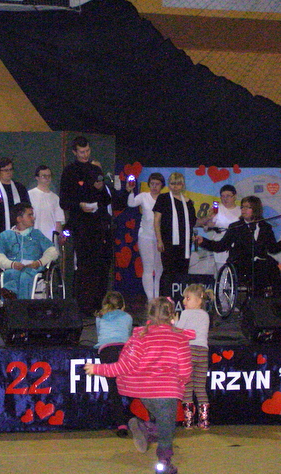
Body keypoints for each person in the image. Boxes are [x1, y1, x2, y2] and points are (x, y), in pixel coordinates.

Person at [84, 297, 193, 474]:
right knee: (167, 429)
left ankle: (146, 428)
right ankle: (164, 462)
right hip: (167, 391)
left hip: (145, 392)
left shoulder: (140, 336)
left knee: (165, 424)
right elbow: (186, 370)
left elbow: (125, 365)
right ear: (173, 315)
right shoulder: (180, 338)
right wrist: (180, 382)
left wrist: (98, 368)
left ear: (149, 314)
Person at [59, 136, 113, 318]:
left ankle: (98, 304)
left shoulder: (96, 169)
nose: (85, 154)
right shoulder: (69, 172)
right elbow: (64, 201)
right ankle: (82, 306)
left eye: (87, 151)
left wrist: (100, 188)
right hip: (81, 226)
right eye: (81, 152)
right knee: (84, 267)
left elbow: (106, 199)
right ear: (74, 152)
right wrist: (79, 205)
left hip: (98, 225)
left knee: (100, 266)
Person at [197, 195, 281, 297]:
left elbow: (272, 248)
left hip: (261, 262)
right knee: (257, 272)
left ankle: (278, 301)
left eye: (247, 207)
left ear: (255, 209)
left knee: (273, 270)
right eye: (242, 207)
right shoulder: (236, 227)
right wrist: (203, 242)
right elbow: (221, 246)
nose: (243, 210)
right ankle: (257, 301)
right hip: (241, 263)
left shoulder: (265, 227)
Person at [0, 157, 30, 306]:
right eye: (5, 170)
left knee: (19, 268)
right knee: (0, 269)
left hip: (19, 235)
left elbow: (27, 210)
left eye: (10, 170)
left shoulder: (20, 188)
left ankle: (17, 303)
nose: (9, 173)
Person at [0, 202, 59, 300]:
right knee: (11, 273)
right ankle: (10, 297)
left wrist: (39, 262)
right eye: (30, 215)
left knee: (25, 276)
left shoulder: (37, 234)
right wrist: (12, 264)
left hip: (33, 268)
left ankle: (22, 303)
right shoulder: (5, 236)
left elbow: (52, 251)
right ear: (19, 219)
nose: (33, 218)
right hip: (13, 267)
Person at [94, 291, 134, 438]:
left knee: (113, 389)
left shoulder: (100, 317)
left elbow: (100, 335)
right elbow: (128, 335)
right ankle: (138, 418)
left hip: (107, 352)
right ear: (123, 306)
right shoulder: (128, 317)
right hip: (124, 351)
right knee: (131, 387)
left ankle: (121, 424)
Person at [174, 283, 212, 430]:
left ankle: (189, 421)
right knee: (200, 387)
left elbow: (179, 331)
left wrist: (174, 322)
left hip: (189, 351)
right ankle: (204, 421)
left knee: (187, 387)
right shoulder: (206, 315)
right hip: (203, 352)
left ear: (199, 300)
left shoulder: (186, 314)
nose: (184, 301)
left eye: (188, 298)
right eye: (184, 298)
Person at [153, 172, 196, 297]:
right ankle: (164, 299)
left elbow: (193, 222)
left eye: (178, 184)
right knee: (168, 272)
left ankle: (179, 299)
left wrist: (208, 219)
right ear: (169, 185)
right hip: (168, 242)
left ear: (183, 185)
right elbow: (156, 220)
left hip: (184, 244)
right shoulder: (163, 198)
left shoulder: (188, 202)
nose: (175, 186)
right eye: (172, 183)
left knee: (182, 272)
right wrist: (159, 240)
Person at [125, 172, 165, 300]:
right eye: (152, 184)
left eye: (157, 184)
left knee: (159, 268)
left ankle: (157, 297)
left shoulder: (164, 198)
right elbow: (131, 203)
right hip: (145, 237)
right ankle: (150, 299)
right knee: (148, 268)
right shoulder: (144, 196)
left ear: (162, 185)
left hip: (160, 238)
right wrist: (131, 191)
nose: (154, 186)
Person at [197, 184, 241, 276]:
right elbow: (207, 227)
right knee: (222, 272)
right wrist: (210, 219)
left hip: (236, 246)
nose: (225, 199)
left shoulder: (240, 211)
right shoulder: (216, 209)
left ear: (235, 196)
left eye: (228, 196)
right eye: (222, 196)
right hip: (220, 244)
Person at [28, 165, 65, 242]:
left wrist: (59, 237)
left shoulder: (55, 198)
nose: (47, 178)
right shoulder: (29, 195)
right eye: (43, 176)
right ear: (37, 178)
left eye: (49, 176)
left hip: (51, 239)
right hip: (33, 239)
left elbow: (58, 221)